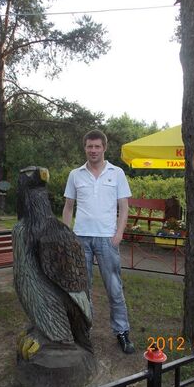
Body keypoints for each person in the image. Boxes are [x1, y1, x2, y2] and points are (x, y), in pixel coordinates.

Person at [62, 129, 135, 354]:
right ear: (85, 148)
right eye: (89, 146)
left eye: (97, 146)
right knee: (82, 290)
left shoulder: (117, 173)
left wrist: (119, 234)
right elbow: (68, 207)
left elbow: (124, 207)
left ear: (104, 148)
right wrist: (67, 235)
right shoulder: (75, 175)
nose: (93, 150)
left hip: (107, 239)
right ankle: (84, 330)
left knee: (114, 288)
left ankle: (122, 332)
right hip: (80, 238)